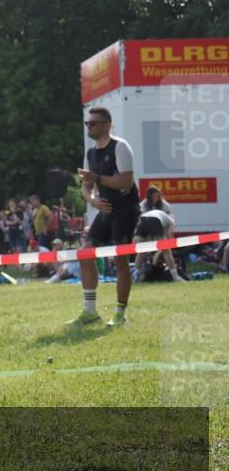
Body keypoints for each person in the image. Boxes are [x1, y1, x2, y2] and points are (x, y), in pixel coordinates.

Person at [69, 106, 140, 327]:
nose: (89, 127)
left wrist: (97, 179)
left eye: (94, 123)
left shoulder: (120, 147)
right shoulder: (90, 153)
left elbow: (126, 182)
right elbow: (86, 187)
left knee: (120, 261)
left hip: (126, 210)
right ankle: (90, 312)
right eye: (87, 124)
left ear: (107, 125)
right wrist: (93, 201)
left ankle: (120, 314)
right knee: (85, 253)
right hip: (105, 209)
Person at [133, 208, 183, 282]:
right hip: (154, 220)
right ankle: (175, 276)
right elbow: (170, 235)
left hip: (142, 219)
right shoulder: (172, 221)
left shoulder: (163, 216)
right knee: (167, 251)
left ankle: (135, 276)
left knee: (141, 252)